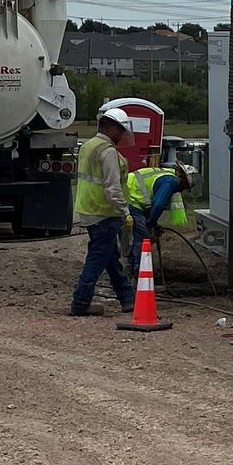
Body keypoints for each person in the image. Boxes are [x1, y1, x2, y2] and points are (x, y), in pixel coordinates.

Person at [70, 104, 136, 316]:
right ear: (112, 128)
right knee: (98, 258)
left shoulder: (88, 146)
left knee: (109, 257)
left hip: (89, 211)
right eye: (121, 131)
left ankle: (127, 299)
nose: (122, 136)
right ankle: (80, 303)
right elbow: (112, 187)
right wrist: (124, 210)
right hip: (104, 212)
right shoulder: (107, 152)